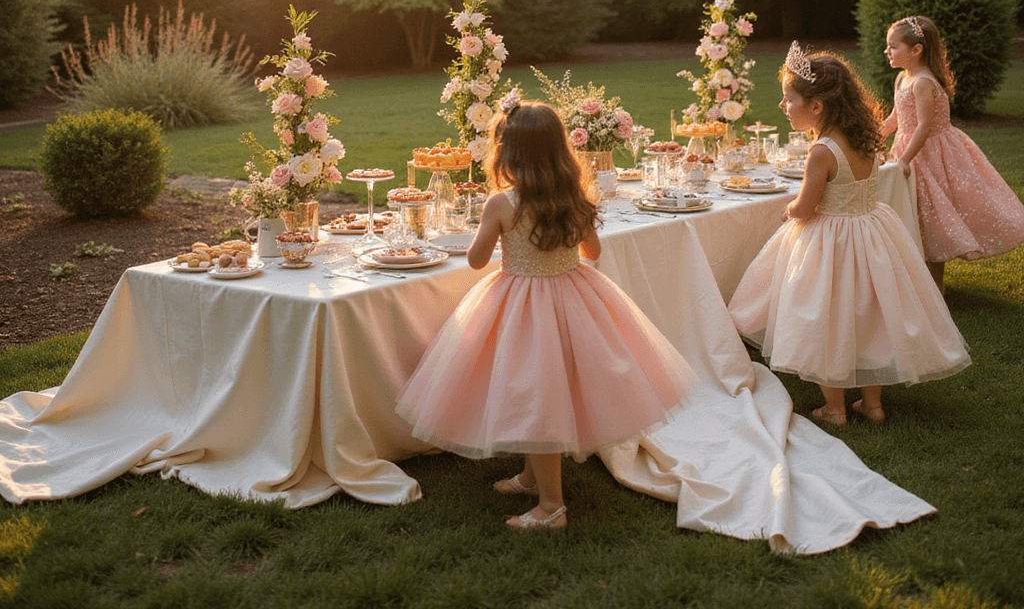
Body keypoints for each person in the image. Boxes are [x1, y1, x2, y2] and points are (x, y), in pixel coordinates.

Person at [395, 92, 694, 530]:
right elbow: (592, 250)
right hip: (574, 296)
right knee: (544, 390)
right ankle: (533, 477)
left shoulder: (502, 203)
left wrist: (495, 235)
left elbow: (477, 261)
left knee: (536, 397)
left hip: (521, 305)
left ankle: (552, 506)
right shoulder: (573, 196)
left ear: (505, 152)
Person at [728, 43, 970, 427]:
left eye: (788, 99)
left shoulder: (821, 151)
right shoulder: (867, 139)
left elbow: (806, 208)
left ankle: (835, 408)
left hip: (830, 244)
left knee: (827, 320)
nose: (782, 106)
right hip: (872, 236)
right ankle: (872, 405)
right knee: (867, 319)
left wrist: (789, 209)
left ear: (817, 106)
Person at [883, 15, 1024, 294]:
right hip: (909, 148)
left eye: (893, 46)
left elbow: (923, 126)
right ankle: (918, 280)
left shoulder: (923, 82)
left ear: (916, 49)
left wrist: (903, 159)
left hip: (932, 153)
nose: (887, 51)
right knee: (914, 211)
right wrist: (876, 136)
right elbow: (895, 117)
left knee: (933, 214)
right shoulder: (902, 78)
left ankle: (936, 287)